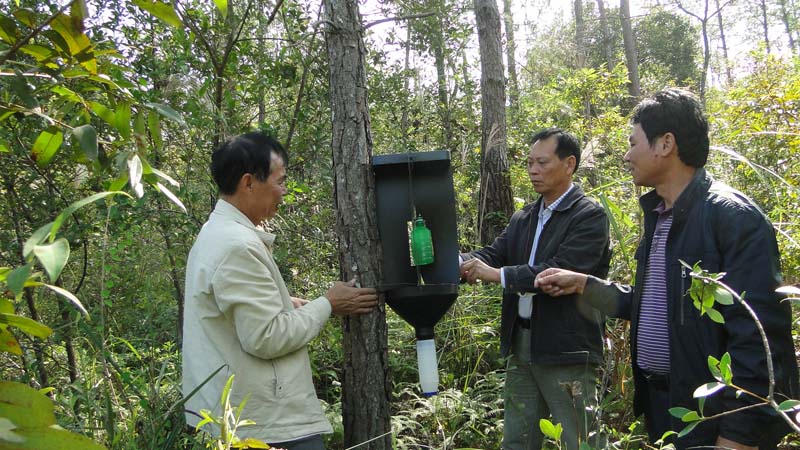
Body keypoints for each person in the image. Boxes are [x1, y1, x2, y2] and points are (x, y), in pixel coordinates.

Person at [535, 89, 799, 450]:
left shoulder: (731, 217)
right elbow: (658, 306)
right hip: (665, 407)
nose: (627, 156)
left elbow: (759, 338)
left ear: (665, 144)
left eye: (633, 143)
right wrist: (584, 284)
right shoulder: (660, 216)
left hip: (711, 418)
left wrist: (738, 436)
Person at [182, 131, 378, 450]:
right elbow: (265, 336)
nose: (284, 192)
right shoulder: (237, 246)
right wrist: (327, 303)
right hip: (263, 426)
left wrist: (284, 303)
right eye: (280, 181)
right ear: (248, 183)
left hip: (237, 417)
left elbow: (229, 312)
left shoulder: (216, 232)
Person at [459, 128, 612, 450]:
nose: (532, 170)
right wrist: (457, 260)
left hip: (566, 348)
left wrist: (494, 275)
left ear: (569, 164)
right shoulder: (525, 217)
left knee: (581, 440)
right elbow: (495, 253)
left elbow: (558, 270)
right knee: (518, 440)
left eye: (542, 162)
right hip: (522, 345)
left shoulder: (589, 216)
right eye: (529, 163)